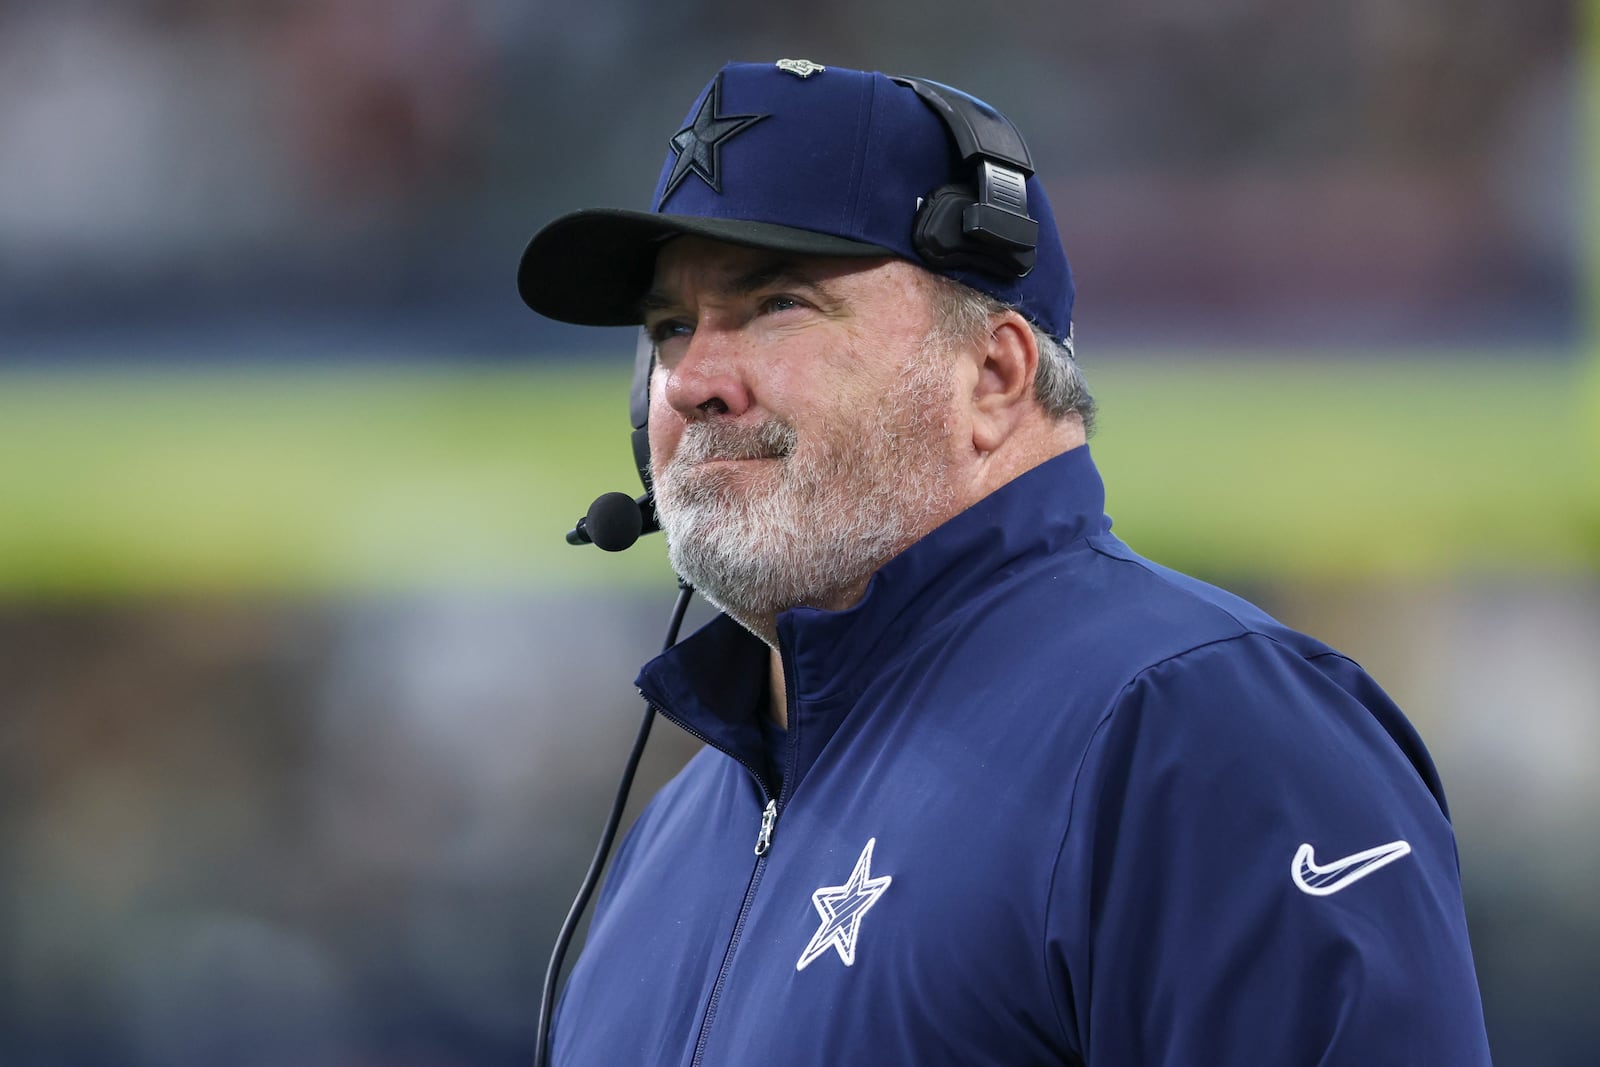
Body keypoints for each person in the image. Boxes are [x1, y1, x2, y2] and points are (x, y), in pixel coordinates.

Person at [517, 60, 1492, 1066]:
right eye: (671, 328)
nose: (693, 383)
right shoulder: (674, 833)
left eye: (777, 304)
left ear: (993, 375)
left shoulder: (1198, 729)